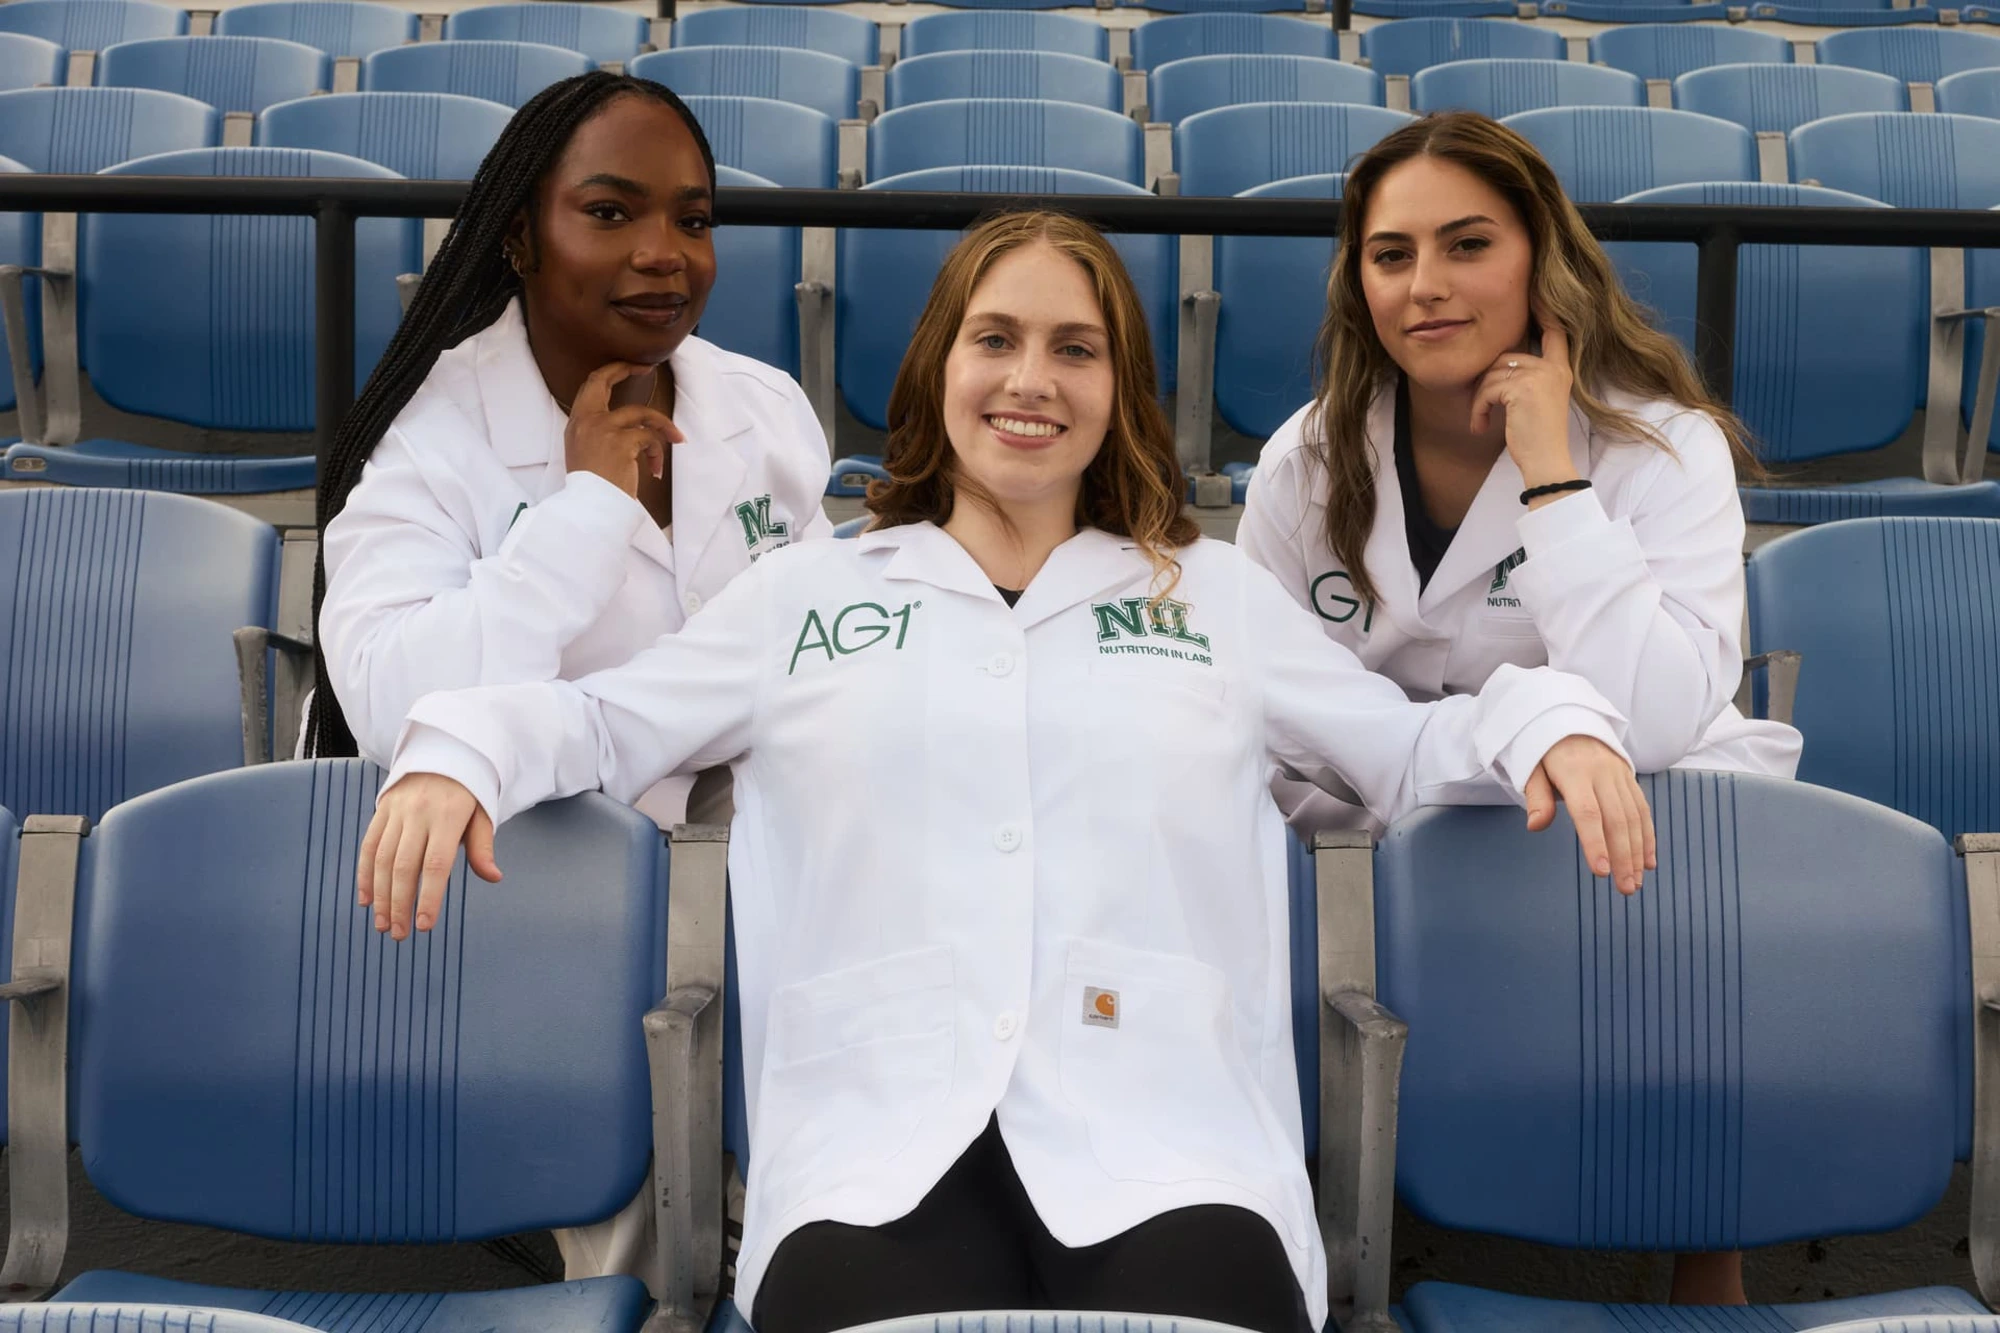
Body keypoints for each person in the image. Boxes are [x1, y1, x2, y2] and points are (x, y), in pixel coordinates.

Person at [357, 211, 1656, 1333]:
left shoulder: (1211, 597)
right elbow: (598, 724)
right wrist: (460, 756)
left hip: (1171, 1135)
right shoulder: (805, 595)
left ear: (1121, 385)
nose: (1031, 379)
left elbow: (1407, 747)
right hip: (873, 1142)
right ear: (938, 363)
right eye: (996, 338)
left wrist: (1545, 719)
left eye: (1075, 348)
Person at [1235, 110, 1802, 1305]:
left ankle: (1707, 1232)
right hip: (1388, 815)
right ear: (1356, 281)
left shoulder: (1661, 446)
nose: (1425, 285)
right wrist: (1482, 742)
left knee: (1655, 837)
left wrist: (1552, 478)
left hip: (1619, 828)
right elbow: (1263, 703)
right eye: (1390, 255)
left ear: (1539, 257)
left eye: (1466, 244)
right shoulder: (1304, 460)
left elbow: (1650, 719)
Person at [311, 71, 832, 1282]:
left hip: (755, 863)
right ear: (518, 237)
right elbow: (392, 704)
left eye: (692, 220)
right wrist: (588, 504)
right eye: (609, 212)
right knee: (641, 1241)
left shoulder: (760, 407)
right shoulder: (428, 437)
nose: (662, 253)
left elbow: (821, 639)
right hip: (542, 874)